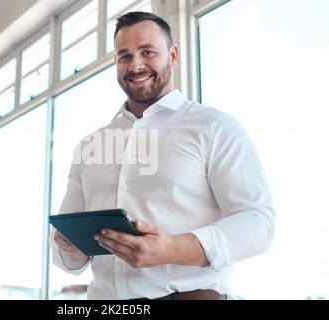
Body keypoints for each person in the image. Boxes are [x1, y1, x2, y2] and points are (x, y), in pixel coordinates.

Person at [50, 11, 275, 300]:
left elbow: (258, 223)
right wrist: (68, 245)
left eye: (147, 52)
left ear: (173, 55)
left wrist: (171, 249)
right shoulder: (91, 145)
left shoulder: (215, 128)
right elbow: (70, 257)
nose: (136, 65)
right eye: (125, 56)